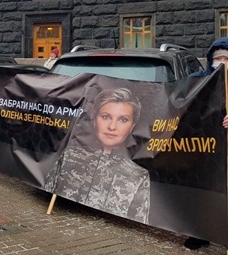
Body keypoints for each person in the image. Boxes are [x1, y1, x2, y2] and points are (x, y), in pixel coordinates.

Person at [44, 88, 150, 224]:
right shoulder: (70, 156)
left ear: (132, 127)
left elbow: (137, 222)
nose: (112, 127)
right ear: (94, 120)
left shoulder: (138, 176)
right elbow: (49, 192)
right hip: (62, 224)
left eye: (123, 120)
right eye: (106, 117)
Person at [184, 37, 228, 250]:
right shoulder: (199, 81)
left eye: (226, 58)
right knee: (204, 191)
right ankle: (201, 232)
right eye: (217, 58)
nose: (221, 62)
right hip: (204, 147)